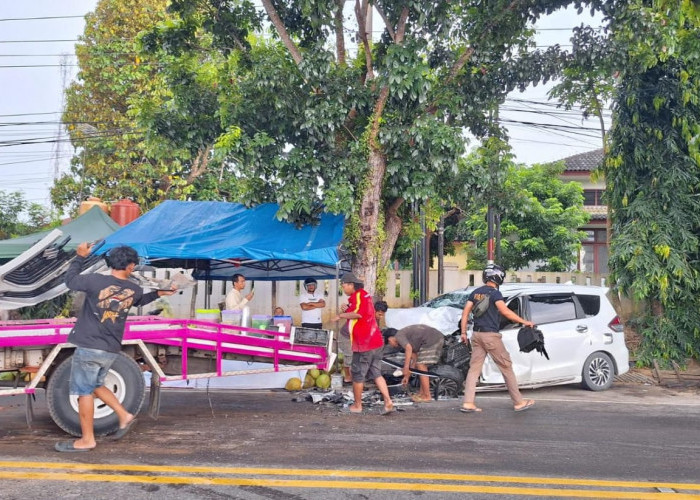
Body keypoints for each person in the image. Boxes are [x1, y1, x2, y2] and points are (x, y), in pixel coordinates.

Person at [55, 243, 176, 452]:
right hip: (110, 349)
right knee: (95, 385)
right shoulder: (134, 289)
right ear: (130, 266)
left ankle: (87, 440)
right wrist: (159, 293)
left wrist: (80, 257)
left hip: (90, 346)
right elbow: (139, 301)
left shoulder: (95, 281)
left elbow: (70, 281)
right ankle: (124, 415)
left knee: (84, 391)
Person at [459, 263, 535, 413]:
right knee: (506, 367)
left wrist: (463, 333)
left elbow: (465, 313)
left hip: (476, 335)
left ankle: (468, 403)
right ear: (498, 277)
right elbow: (505, 312)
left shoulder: (475, 293)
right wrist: (525, 322)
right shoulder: (495, 294)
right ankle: (519, 402)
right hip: (490, 336)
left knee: (474, 369)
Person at [333, 272, 395, 415]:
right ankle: (388, 401)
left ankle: (357, 405)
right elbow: (359, 312)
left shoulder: (359, 295)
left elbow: (359, 314)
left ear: (350, 285)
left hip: (365, 344)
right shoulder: (363, 296)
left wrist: (341, 315)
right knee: (376, 373)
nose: (343, 288)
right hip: (376, 342)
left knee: (358, 375)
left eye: (343, 285)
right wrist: (347, 310)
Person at [384, 324, 445, 403]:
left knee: (421, 365)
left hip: (432, 339)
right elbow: (414, 358)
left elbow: (409, 348)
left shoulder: (399, 336)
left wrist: (405, 368)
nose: (392, 346)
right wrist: (407, 375)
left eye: (389, 343)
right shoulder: (404, 339)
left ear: (390, 339)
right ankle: (422, 394)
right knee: (420, 366)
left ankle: (427, 396)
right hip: (434, 337)